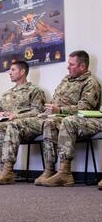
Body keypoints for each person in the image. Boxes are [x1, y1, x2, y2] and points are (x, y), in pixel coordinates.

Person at [39, 53, 101, 187]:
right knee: (49, 123)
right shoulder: (66, 80)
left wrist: (60, 110)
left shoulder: (91, 83)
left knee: (68, 121)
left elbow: (85, 108)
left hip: (85, 118)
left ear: (82, 66)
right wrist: (49, 110)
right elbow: (56, 100)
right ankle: (49, 170)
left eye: (71, 64)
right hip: (61, 116)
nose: (68, 67)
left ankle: (65, 172)